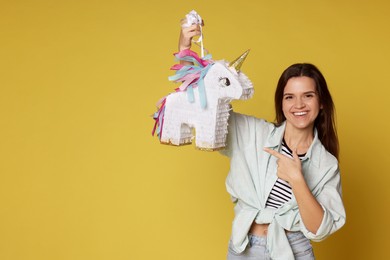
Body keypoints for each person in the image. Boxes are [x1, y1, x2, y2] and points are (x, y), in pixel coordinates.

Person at [178, 19, 346, 260]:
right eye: (289, 97)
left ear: (320, 103)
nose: (298, 105)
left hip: (293, 250)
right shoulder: (253, 133)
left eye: (307, 95)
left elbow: (319, 229)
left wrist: (297, 179)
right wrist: (185, 48)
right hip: (245, 247)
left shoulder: (327, 164)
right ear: (282, 103)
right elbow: (201, 105)